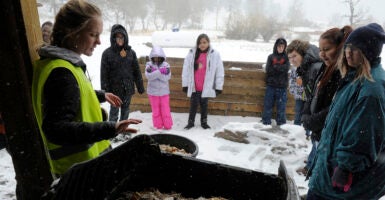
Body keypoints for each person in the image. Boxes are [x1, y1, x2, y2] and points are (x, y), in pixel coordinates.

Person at [31, 0, 142, 178]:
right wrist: (110, 128)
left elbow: (72, 95)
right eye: (93, 34)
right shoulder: (62, 73)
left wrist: (101, 95)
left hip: (83, 169)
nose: (99, 41)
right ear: (72, 33)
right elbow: (56, 129)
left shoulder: (58, 64)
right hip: (79, 172)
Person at [307, 23, 385, 200]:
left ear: (368, 53)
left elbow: (363, 136)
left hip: (342, 185)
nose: (348, 53)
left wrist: (345, 168)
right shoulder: (354, 79)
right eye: (347, 47)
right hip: (331, 173)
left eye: (355, 49)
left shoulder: (371, 90)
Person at [300, 26, 353, 176]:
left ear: (339, 48)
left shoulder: (341, 73)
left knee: (322, 173)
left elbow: (335, 108)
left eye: (327, 49)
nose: (322, 54)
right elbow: (312, 93)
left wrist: (312, 121)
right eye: (320, 49)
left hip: (327, 135)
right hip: (318, 132)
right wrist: (305, 113)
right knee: (316, 170)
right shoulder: (325, 67)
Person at [286, 39, 322, 176]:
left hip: (320, 114)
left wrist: (312, 116)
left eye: (294, 56)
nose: (292, 60)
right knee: (316, 141)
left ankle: (312, 168)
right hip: (315, 112)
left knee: (318, 141)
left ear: (302, 53)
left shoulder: (314, 67)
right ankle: (312, 165)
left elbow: (317, 95)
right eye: (289, 57)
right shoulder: (305, 68)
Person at [101, 24, 145, 122]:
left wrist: (140, 86)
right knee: (114, 112)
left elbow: (136, 71)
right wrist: (105, 91)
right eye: (117, 37)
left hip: (128, 89)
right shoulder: (107, 54)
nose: (120, 39)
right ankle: (112, 131)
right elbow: (104, 74)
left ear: (125, 37)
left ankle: (124, 130)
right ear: (113, 38)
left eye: (122, 37)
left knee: (125, 111)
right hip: (114, 90)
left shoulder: (131, 53)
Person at [182, 33, 224, 129]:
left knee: (204, 106)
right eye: (200, 43)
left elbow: (219, 71)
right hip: (194, 86)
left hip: (206, 87)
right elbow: (186, 69)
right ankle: (191, 122)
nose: (202, 44)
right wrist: (185, 84)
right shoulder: (192, 53)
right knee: (193, 106)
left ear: (208, 43)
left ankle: (204, 122)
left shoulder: (215, 54)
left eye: (204, 42)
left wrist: (218, 86)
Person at [261, 38, 290, 126]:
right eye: (279, 46)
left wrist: (276, 67)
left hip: (282, 86)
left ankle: (281, 124)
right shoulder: (270, 57)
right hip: (271, 85)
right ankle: (266, 123)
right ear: (276, 46)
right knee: (268, 105)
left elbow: (286, 69)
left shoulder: (286, 58)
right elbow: (268, 69)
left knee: (281, 107)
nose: (281, 48)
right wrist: (279, 68)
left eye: (282, 46)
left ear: (285, 47)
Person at [144, 45, 173, 130]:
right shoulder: (148, 65)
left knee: (165, 110)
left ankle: (168, 125)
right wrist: (160, 71)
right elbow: (149, 76)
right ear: (152, 57)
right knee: (155, 110)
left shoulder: (166, 65)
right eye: (154, 57)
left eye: (158, 57)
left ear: (162, 57)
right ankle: (158, 126)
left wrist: (155, 73)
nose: (156, 59)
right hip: (152, 93)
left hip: (164, 93)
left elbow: (167, 78)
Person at [288, 65, 311, 138]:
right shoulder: (295, 68)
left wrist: (305, 82)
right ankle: (296, 133)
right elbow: (291, 80)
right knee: (298, 114)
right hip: (299, 96)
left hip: (308, 97)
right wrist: (293, 90)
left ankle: (307, 134)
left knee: (307, 115)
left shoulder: (310, 66)